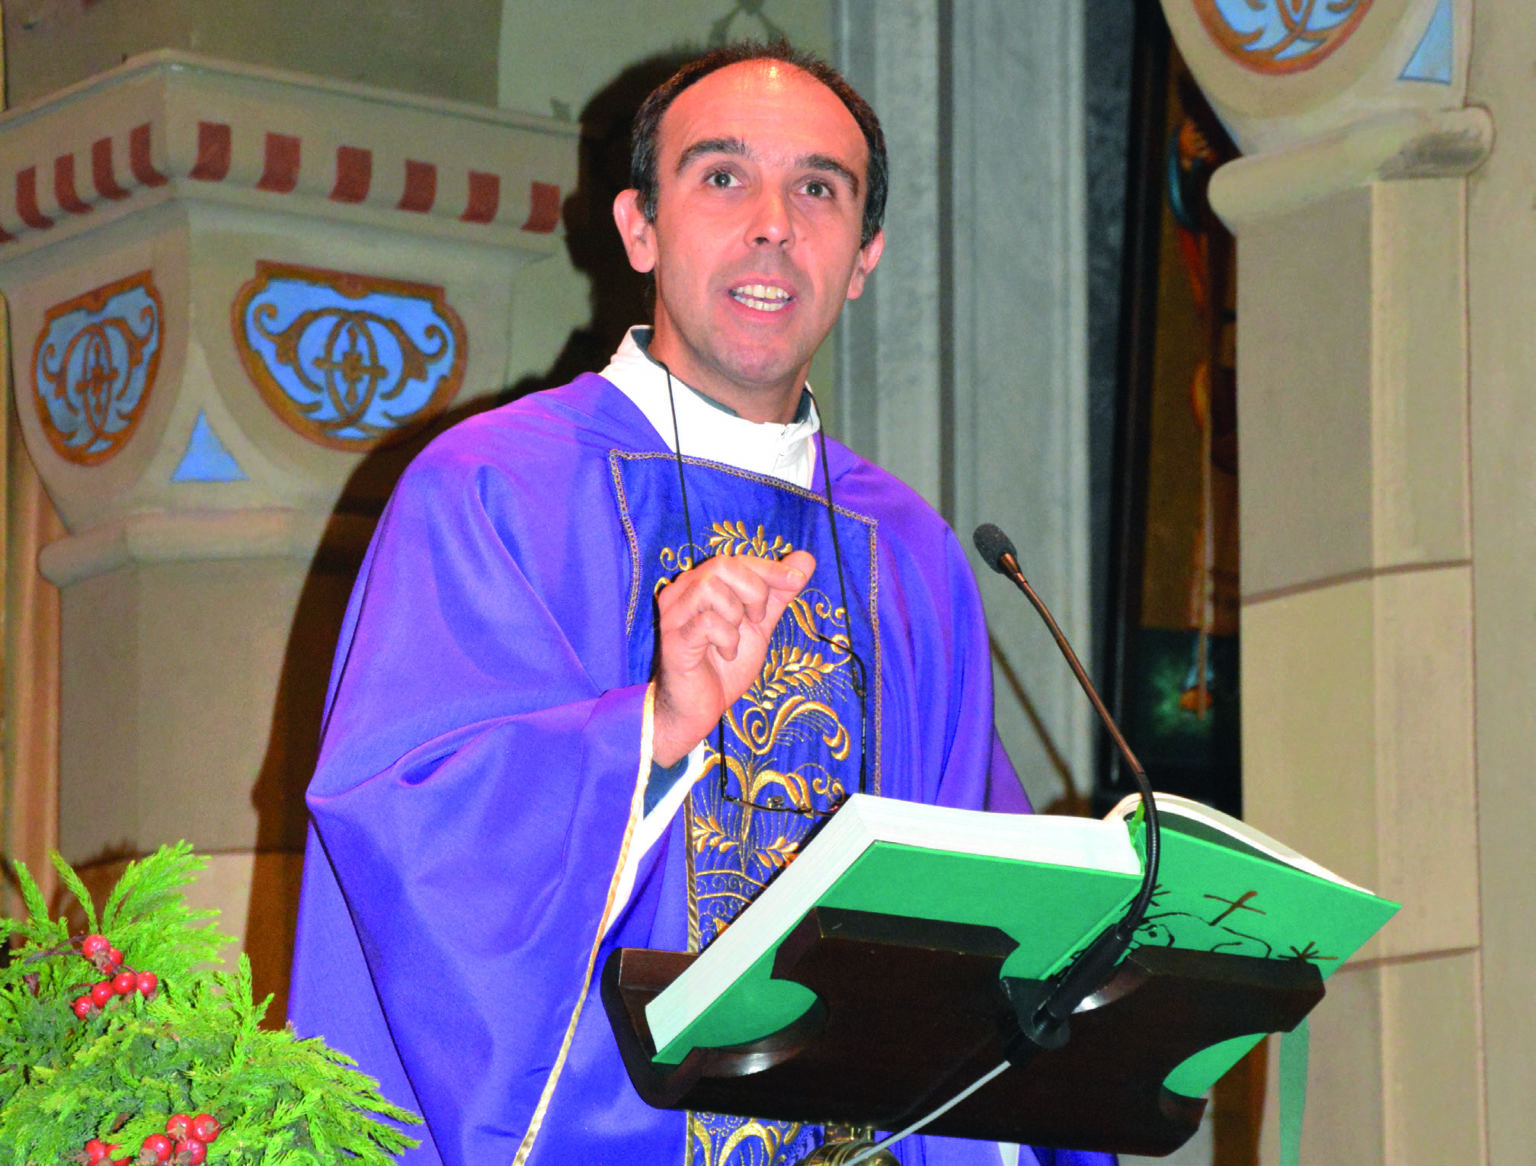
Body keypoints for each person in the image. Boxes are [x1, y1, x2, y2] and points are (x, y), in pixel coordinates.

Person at [288, 42, 1115, 1166]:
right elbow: (405, 828)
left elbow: (983, 910)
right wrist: (649, 732)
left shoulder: (913, 555)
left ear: (863, 257)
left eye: (819, 189)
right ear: (639, 228)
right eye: (723, 177)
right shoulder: (491, 489)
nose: (774, 225)